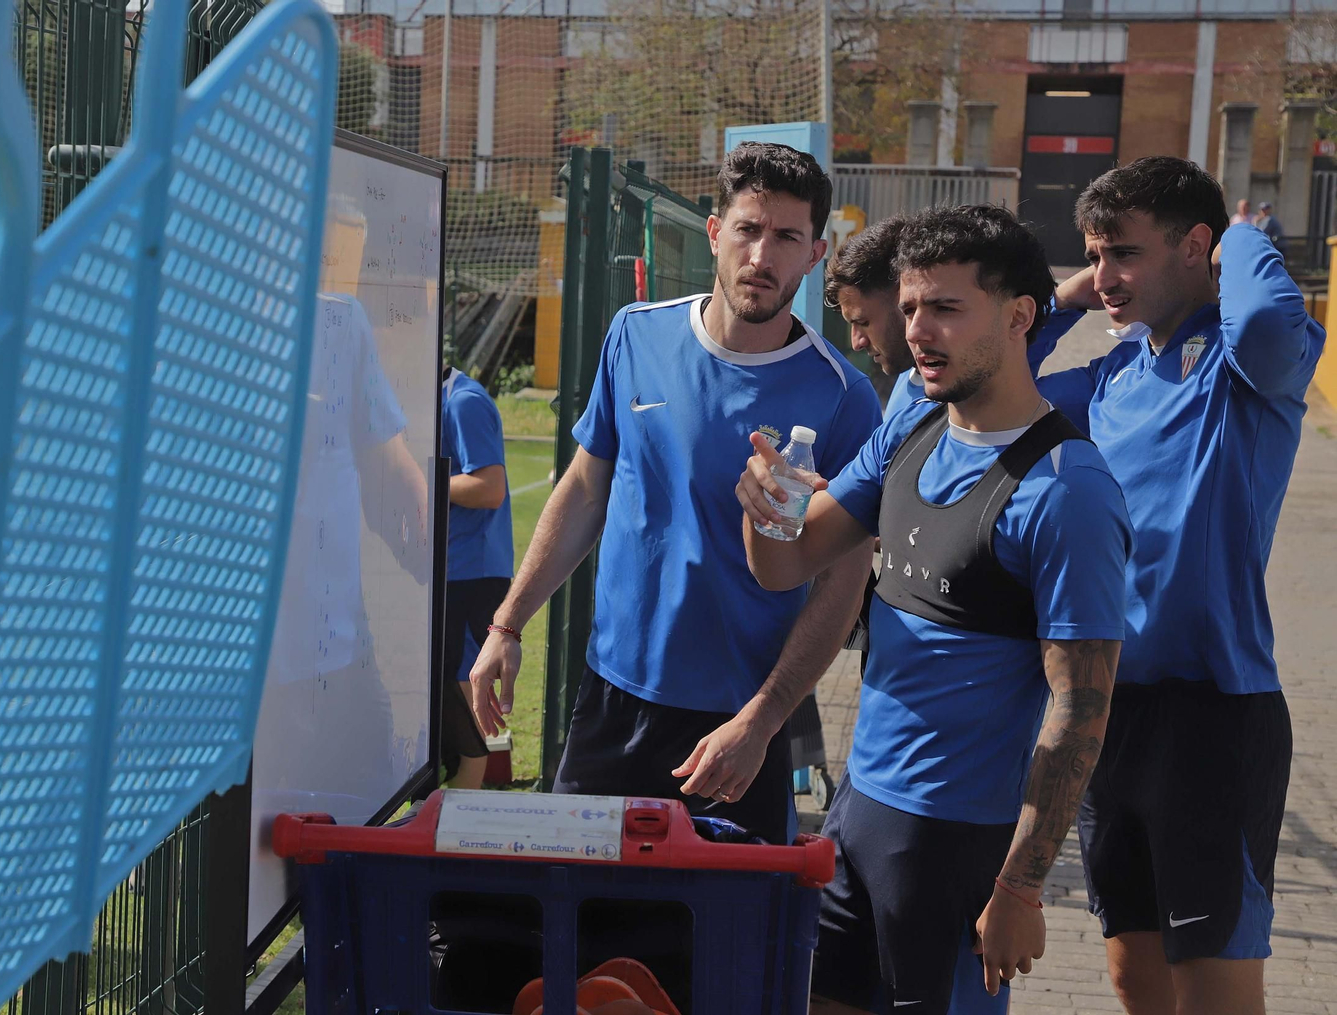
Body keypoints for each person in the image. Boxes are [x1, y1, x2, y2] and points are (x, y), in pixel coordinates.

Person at [740, 204, 1132, 1012]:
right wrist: (763, 511)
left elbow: (1080, 709)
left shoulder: (1067, 491)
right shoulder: (912, 425)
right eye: (912, 307)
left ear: (1020, 316)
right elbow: (789, 563)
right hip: (857, 815)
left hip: (956, 843)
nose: (919, 329)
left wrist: (1021, 888)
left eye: (947, 307)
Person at [467, 142, 882, 845]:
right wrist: (507, 624)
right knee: (579, 928)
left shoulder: (844, 398)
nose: (762, 256)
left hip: (738, 726)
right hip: (612, 702)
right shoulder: (636, 335)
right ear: (717, 232)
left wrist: (765, 717)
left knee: (721, 945)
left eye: (786, 237)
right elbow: (585, 488)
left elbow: (843, 584)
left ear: (814, 255)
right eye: (749, 229)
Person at [1036, 155, 1324, 1015]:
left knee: (1217, 991)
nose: (1105, 277)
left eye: (1123, 253)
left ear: (1196, 247)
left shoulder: (1244, 370)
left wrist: (1242, 231)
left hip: (1214, 716)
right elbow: (991, 396)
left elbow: (1272, 319)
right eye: (1094, 255)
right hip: (1107, 713)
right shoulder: (1113, 377)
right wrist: (1063, 302)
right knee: (1133, 977)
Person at [825, 214, 1075, 417]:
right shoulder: (914, 378)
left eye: (863, 322)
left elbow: (1017, 329)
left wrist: (1066, 302)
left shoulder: (971, 376)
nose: (857, 342)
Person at [439, 363, 514, 789]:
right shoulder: (446, 398)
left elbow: (489, 488)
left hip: (472, 573)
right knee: (451, 687)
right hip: (455, 570)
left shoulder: (463, 401)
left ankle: (466, 807)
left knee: (466, 686)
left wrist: (423, 478)